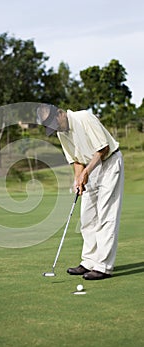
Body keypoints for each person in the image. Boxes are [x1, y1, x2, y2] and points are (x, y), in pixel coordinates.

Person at [37, 104, 124, 280]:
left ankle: (103, 266)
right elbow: (76, 160)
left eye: (54, 124)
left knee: (106, 215)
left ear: (60, 113)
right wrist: (78, 178)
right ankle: (89, 262)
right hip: (91, 170)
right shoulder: (62, 133)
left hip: (109, 164)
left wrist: (86, 172)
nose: (55, 130)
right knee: (87, 217)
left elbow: (103, 149)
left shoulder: (84, 118)